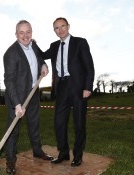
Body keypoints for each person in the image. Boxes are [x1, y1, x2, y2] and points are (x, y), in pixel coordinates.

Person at [40, 17, 95, 167]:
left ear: (68, 26)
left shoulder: (80, 42)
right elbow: (42, 55)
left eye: (62, 26)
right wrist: (32, 43)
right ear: (54, 31)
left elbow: (89, 67)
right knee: (59, 122)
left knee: (79, 123)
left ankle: (77, 156)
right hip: (62, 87)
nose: (60, 30)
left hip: (78, 87)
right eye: (57, 28)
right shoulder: (54, 46)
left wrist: (87, 87)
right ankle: (63, 153)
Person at [3, 20, 53, 175]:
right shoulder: (11, 53)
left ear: (32, 32)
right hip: (17, 97)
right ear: (16, 34)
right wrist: (17, 104)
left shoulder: (34, 45)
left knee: (34, 124)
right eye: (21, 32)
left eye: (28, 32)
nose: (25, 36)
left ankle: (37, 151)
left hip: (32, 93)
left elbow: (38, 57)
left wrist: (43, 64)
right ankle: (10, 160)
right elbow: (9, 80)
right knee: (13, 130)